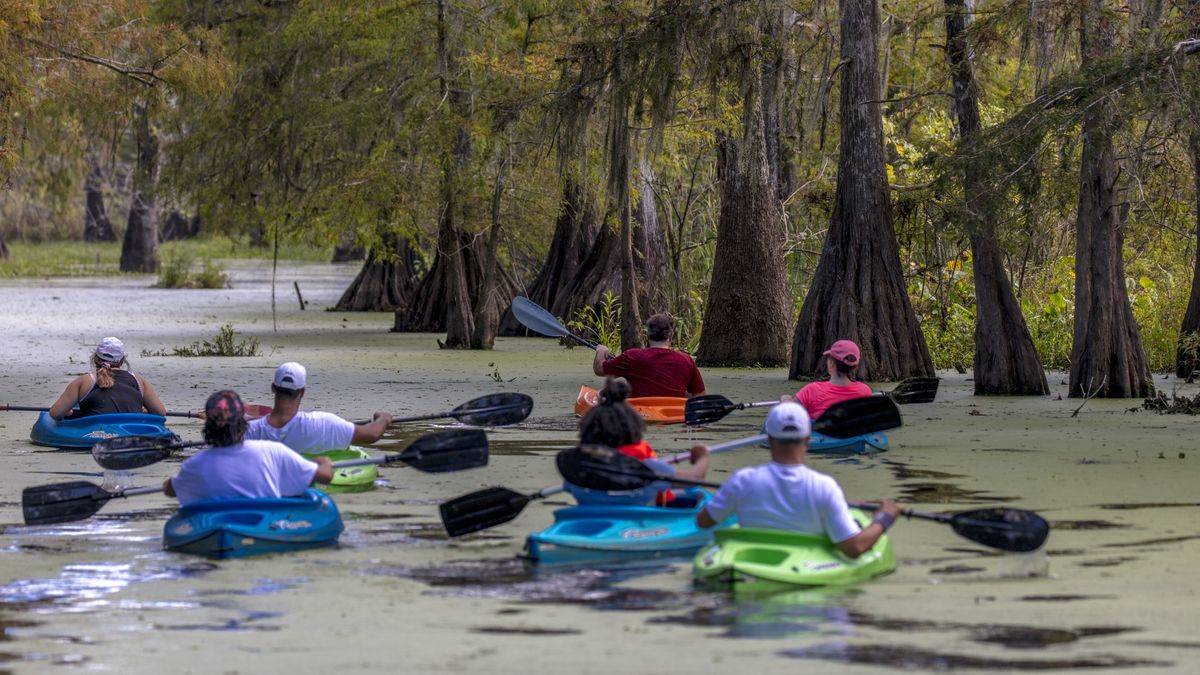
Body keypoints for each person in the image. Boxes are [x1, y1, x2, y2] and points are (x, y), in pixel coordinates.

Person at [696, 401, 902, 558]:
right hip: (804, 570)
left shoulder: (742, 480)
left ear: (769, 439)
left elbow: (703, 521)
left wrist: (702, 462)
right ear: (807, 440)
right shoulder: (824, 487)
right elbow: (854, 547)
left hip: (750, 562)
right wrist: (884, 518)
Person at [164, 390, 335, 506]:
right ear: (244, 424)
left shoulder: (193, 465)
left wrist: (169, 483)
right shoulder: (272, 451)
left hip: (214, 527)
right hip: (261, 525)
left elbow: (170, 489)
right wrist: (323, 461)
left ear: (208, 427)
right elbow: (325, 476)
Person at [570, 377, 709, 506]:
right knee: (698, 496)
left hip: (593, 516)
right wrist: (702, 457)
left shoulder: (577, 465)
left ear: (587, 430)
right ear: (633, 428)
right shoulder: (646, 465)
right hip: (643, 518)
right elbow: (694, 478)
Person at [245, 362, 392, 453]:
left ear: (273, 388)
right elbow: (372, 434)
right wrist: (383, 418)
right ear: (302, 392)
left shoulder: (248, 430)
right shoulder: (323, 424)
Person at [48, 337, 166, 420]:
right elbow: (160, 413)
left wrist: (69, 412)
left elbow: (55, 413)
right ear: (122, 360)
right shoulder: (139, 381)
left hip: (94, 433)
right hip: (131, 430)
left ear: (95, 358)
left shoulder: (84, 381)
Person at [592, 313, 705, 399]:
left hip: (640, 414)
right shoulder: (686, 360)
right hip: (675, 413)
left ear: (647, 335)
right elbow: (700, 396)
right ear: (670, 336)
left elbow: (599, 369)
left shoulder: (632, 356)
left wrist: (601, 351)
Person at [793, 339, 873, 420]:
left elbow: (790, 414)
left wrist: (785, 399)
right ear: (855, 367)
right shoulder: (865, 391)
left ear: (831, 364)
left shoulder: (812, 390)